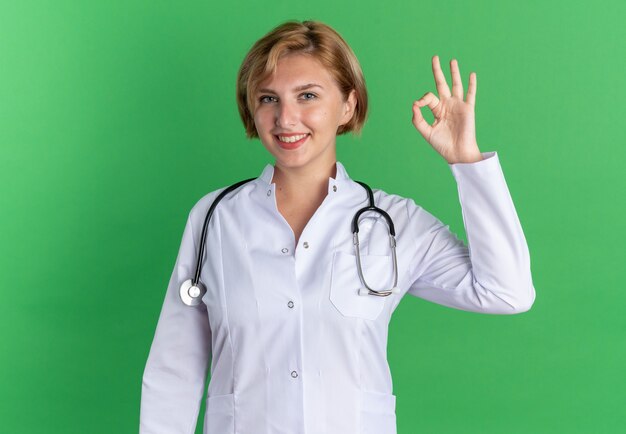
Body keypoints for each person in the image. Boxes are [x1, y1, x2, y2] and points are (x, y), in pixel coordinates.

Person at [139, 19, 536, 434]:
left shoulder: (394, 222)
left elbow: (506, 292)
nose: (285, 117)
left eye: (307, 95)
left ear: (347, 105)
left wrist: (466, 163)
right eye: (268, 98)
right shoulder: (214, 218)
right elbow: (174, 370)